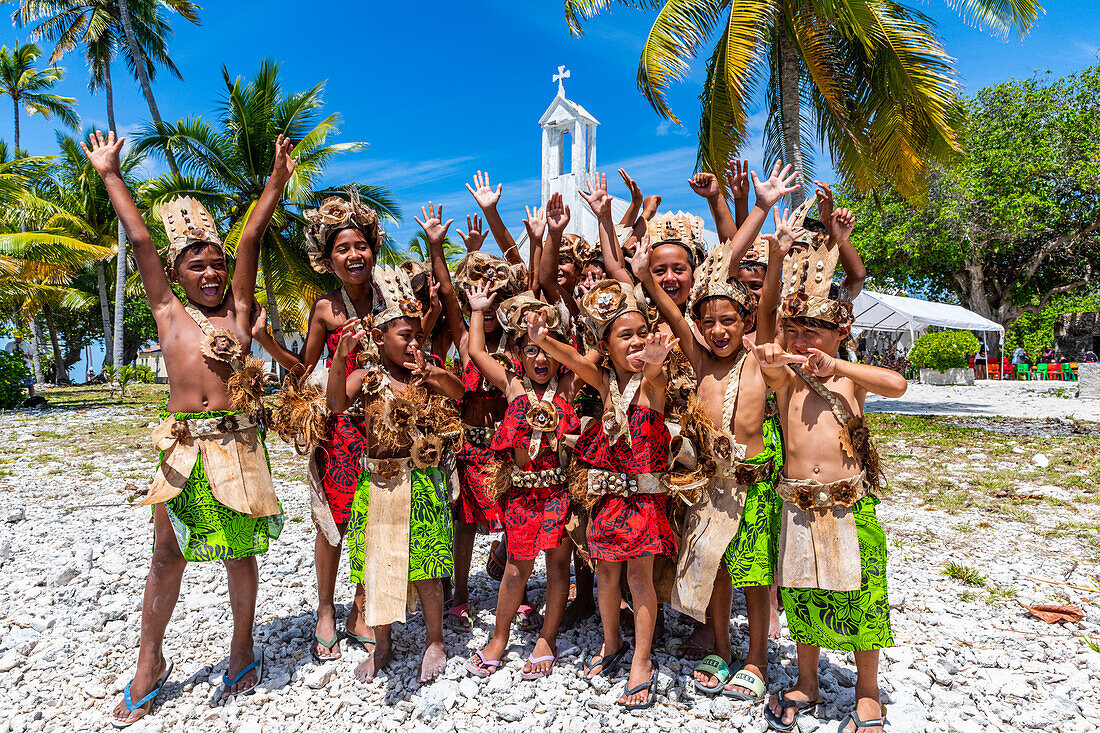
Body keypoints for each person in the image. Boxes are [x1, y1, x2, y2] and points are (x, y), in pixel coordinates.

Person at [84, 130, 292, 726]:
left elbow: (252, 234)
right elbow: (142, 240)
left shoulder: (242, 313)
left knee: (239, 553)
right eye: (195, 265)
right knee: (165, 557)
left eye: (216, 263)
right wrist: (110, 175)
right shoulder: (168, 312)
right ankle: (149, 662)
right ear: (175, 273)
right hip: (182, 448)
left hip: (237, 444)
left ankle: (242, 649)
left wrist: (276, 183)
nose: (209, 272)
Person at [746, 203, 907, 733]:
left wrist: (836, 365)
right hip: (796, 501)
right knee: (800, 592)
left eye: (817, 331)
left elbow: (897, 385)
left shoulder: (850, 378)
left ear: (841, 335)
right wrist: (774, 349)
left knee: (863, 593)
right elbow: (767, 343)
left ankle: (867, 691)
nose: (805, 340)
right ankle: (808, 680)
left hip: (847, 500)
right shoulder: (785, 379)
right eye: (798, 330)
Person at [631, 220, 780, 704]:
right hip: (707, 484)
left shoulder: (758, 356)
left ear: (746, 321)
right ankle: (720, 645)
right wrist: (645, 277)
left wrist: (774, 256)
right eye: (709, 322)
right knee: (713, 568)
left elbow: (771, 307)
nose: (719, 331)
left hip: (750, 484)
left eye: (730, 321)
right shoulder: (698, 359)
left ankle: (755, 657)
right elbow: (673, 313)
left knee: (754, 576)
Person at [530, 279, 679, 710]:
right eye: (623, 336)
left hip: (644, 504)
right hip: (610, 503)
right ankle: (611, 641)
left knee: (639, 579)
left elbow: (653, 371)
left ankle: (642, 658)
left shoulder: (653, 383)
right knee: (607, 577)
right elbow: (573, 359)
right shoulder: (604, 383)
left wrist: (653, 357)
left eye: (640, 333)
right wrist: (543, 339)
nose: (634, 343)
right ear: (606, 345)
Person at [255, 188, 387, 663]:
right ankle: (326, 609)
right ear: (327, 260)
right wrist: (265, 341)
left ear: (373, 247)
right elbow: (302, 367)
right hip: (342, 427)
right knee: (335, 519)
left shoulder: (392, 294)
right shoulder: (325, 309)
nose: (354, 255)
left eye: (360, 245)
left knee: (379, 515)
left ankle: (364, 603)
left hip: (388, 425)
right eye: (342, 249)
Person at [325, 264, 464, 683]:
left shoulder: (425, 373)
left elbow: (459, 392)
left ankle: (434, 640)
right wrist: (339, 358)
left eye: (418, 336)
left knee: (426, 563)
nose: (413, 344)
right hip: (377, 483)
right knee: (377, 562)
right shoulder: (366, 375)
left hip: (420, 480)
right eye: (405, 336)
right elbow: (334, 404)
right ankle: (382, 645)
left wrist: (435, 374)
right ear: (381, 338)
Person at [420, 196, 532, 634]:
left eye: (495, 291)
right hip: (470, 443)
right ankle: (462, 594)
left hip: (506, 446)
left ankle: (514, 589)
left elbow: (527, 273)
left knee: (514, 516)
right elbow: (448, 292)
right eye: (478, 289)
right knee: (464, 521)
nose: (486, 295)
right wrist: (437, 247)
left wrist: (497, 219)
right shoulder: (467, 338)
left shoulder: (518, 340)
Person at [463, 289, 580, 680]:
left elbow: (589, 352)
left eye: (547, 349)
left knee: (559, 567)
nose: (541, 358)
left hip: (560, 492)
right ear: (517, 354)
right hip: (522, 494)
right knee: (516, 568)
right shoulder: (512, 387)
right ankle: (500, 636)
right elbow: (478, 353)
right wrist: (479, 311)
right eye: (531, 350)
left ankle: (547, 637)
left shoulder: (567, 389)